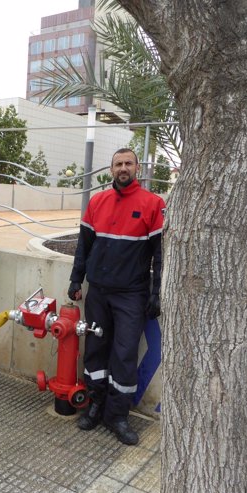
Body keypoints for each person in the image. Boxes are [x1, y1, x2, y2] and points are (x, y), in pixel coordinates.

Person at [68, 148, 165, 445]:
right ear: (111, 169)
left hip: (131, 295)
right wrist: (76, 279)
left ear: (137, 167)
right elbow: (83, 247)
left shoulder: (153, 204)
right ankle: (95, 405)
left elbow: (160, 255)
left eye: (128, 163)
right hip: (98, 291)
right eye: (118, 164)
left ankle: (117, 415)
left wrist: (156, 292)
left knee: (124, 355)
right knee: (95, 351)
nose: (123, 168)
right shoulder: (97, 202)